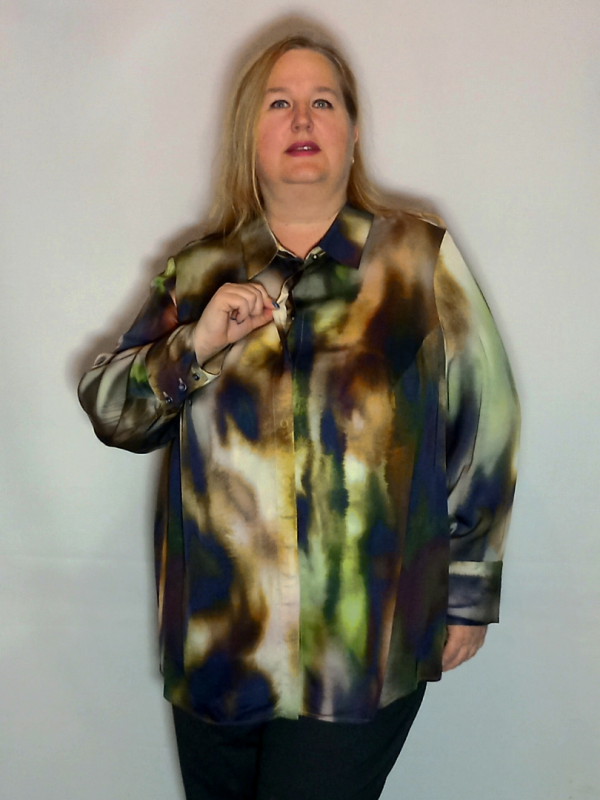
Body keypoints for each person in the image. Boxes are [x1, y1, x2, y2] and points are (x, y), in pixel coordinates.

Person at [78, 33, 520, 800]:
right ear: (249, 134)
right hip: (219, 649)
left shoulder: (417, 260)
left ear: (352, 130)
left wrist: (469, 590)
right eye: (279, 103)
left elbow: (486, 426)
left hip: (360, 648)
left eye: (324, 101)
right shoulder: (199, 271)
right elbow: (114, 413)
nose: (303, 117)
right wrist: (197, 343)